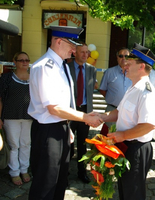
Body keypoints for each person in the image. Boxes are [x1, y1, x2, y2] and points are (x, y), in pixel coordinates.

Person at [27, 26, 101, 200]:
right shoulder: (44, 66)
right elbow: (54, 108)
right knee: (45, 185)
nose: (74, 50)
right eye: (72, 45)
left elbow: (68, 100)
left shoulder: (64, 66)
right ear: (59, 41)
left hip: (61, 128)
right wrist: (84, 117)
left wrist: (68, 127)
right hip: (47, 132)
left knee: (60, 182)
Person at [98, 43, 155, 200]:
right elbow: (119, 112)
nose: (125, 65)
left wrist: (123, 135)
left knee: (133, 193)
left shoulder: (147, 91)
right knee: (125, 190)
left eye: (130, 63)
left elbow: (148, 125)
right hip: (126, 145)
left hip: (136, 148)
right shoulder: (133, 87)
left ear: (141, 67)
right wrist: (101, 117)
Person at [0, 52, 32, 186]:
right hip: (10, 116)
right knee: (14, 145)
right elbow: (0, 99)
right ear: (15, 62)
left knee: (26, 144)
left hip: (29, 117)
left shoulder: (34, 78)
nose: (24, 63)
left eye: (27, 60)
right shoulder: (7, 78)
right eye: (21, 60)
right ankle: (14, 172)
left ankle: (24, 169)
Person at [69, 43, 97, 183]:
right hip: (70, 111)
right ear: (75, 53)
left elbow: (92, 88)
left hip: (85, 110)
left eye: (87, 52)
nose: (85, 55)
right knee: (68, 142)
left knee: (82, 143)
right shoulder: (67, 67)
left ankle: (82, 171)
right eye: (82, 52)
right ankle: (64, 172)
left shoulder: (92, 69)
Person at [99, 47, 131, 128]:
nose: (123, 58)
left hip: (129, 111)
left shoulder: (133, 73)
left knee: (126, 136)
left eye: (126, 56)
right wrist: (112, 98)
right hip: (112, 109)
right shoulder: (109, 72)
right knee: (109, 136)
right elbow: (102, 89)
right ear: (117, 57)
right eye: (121, 56)